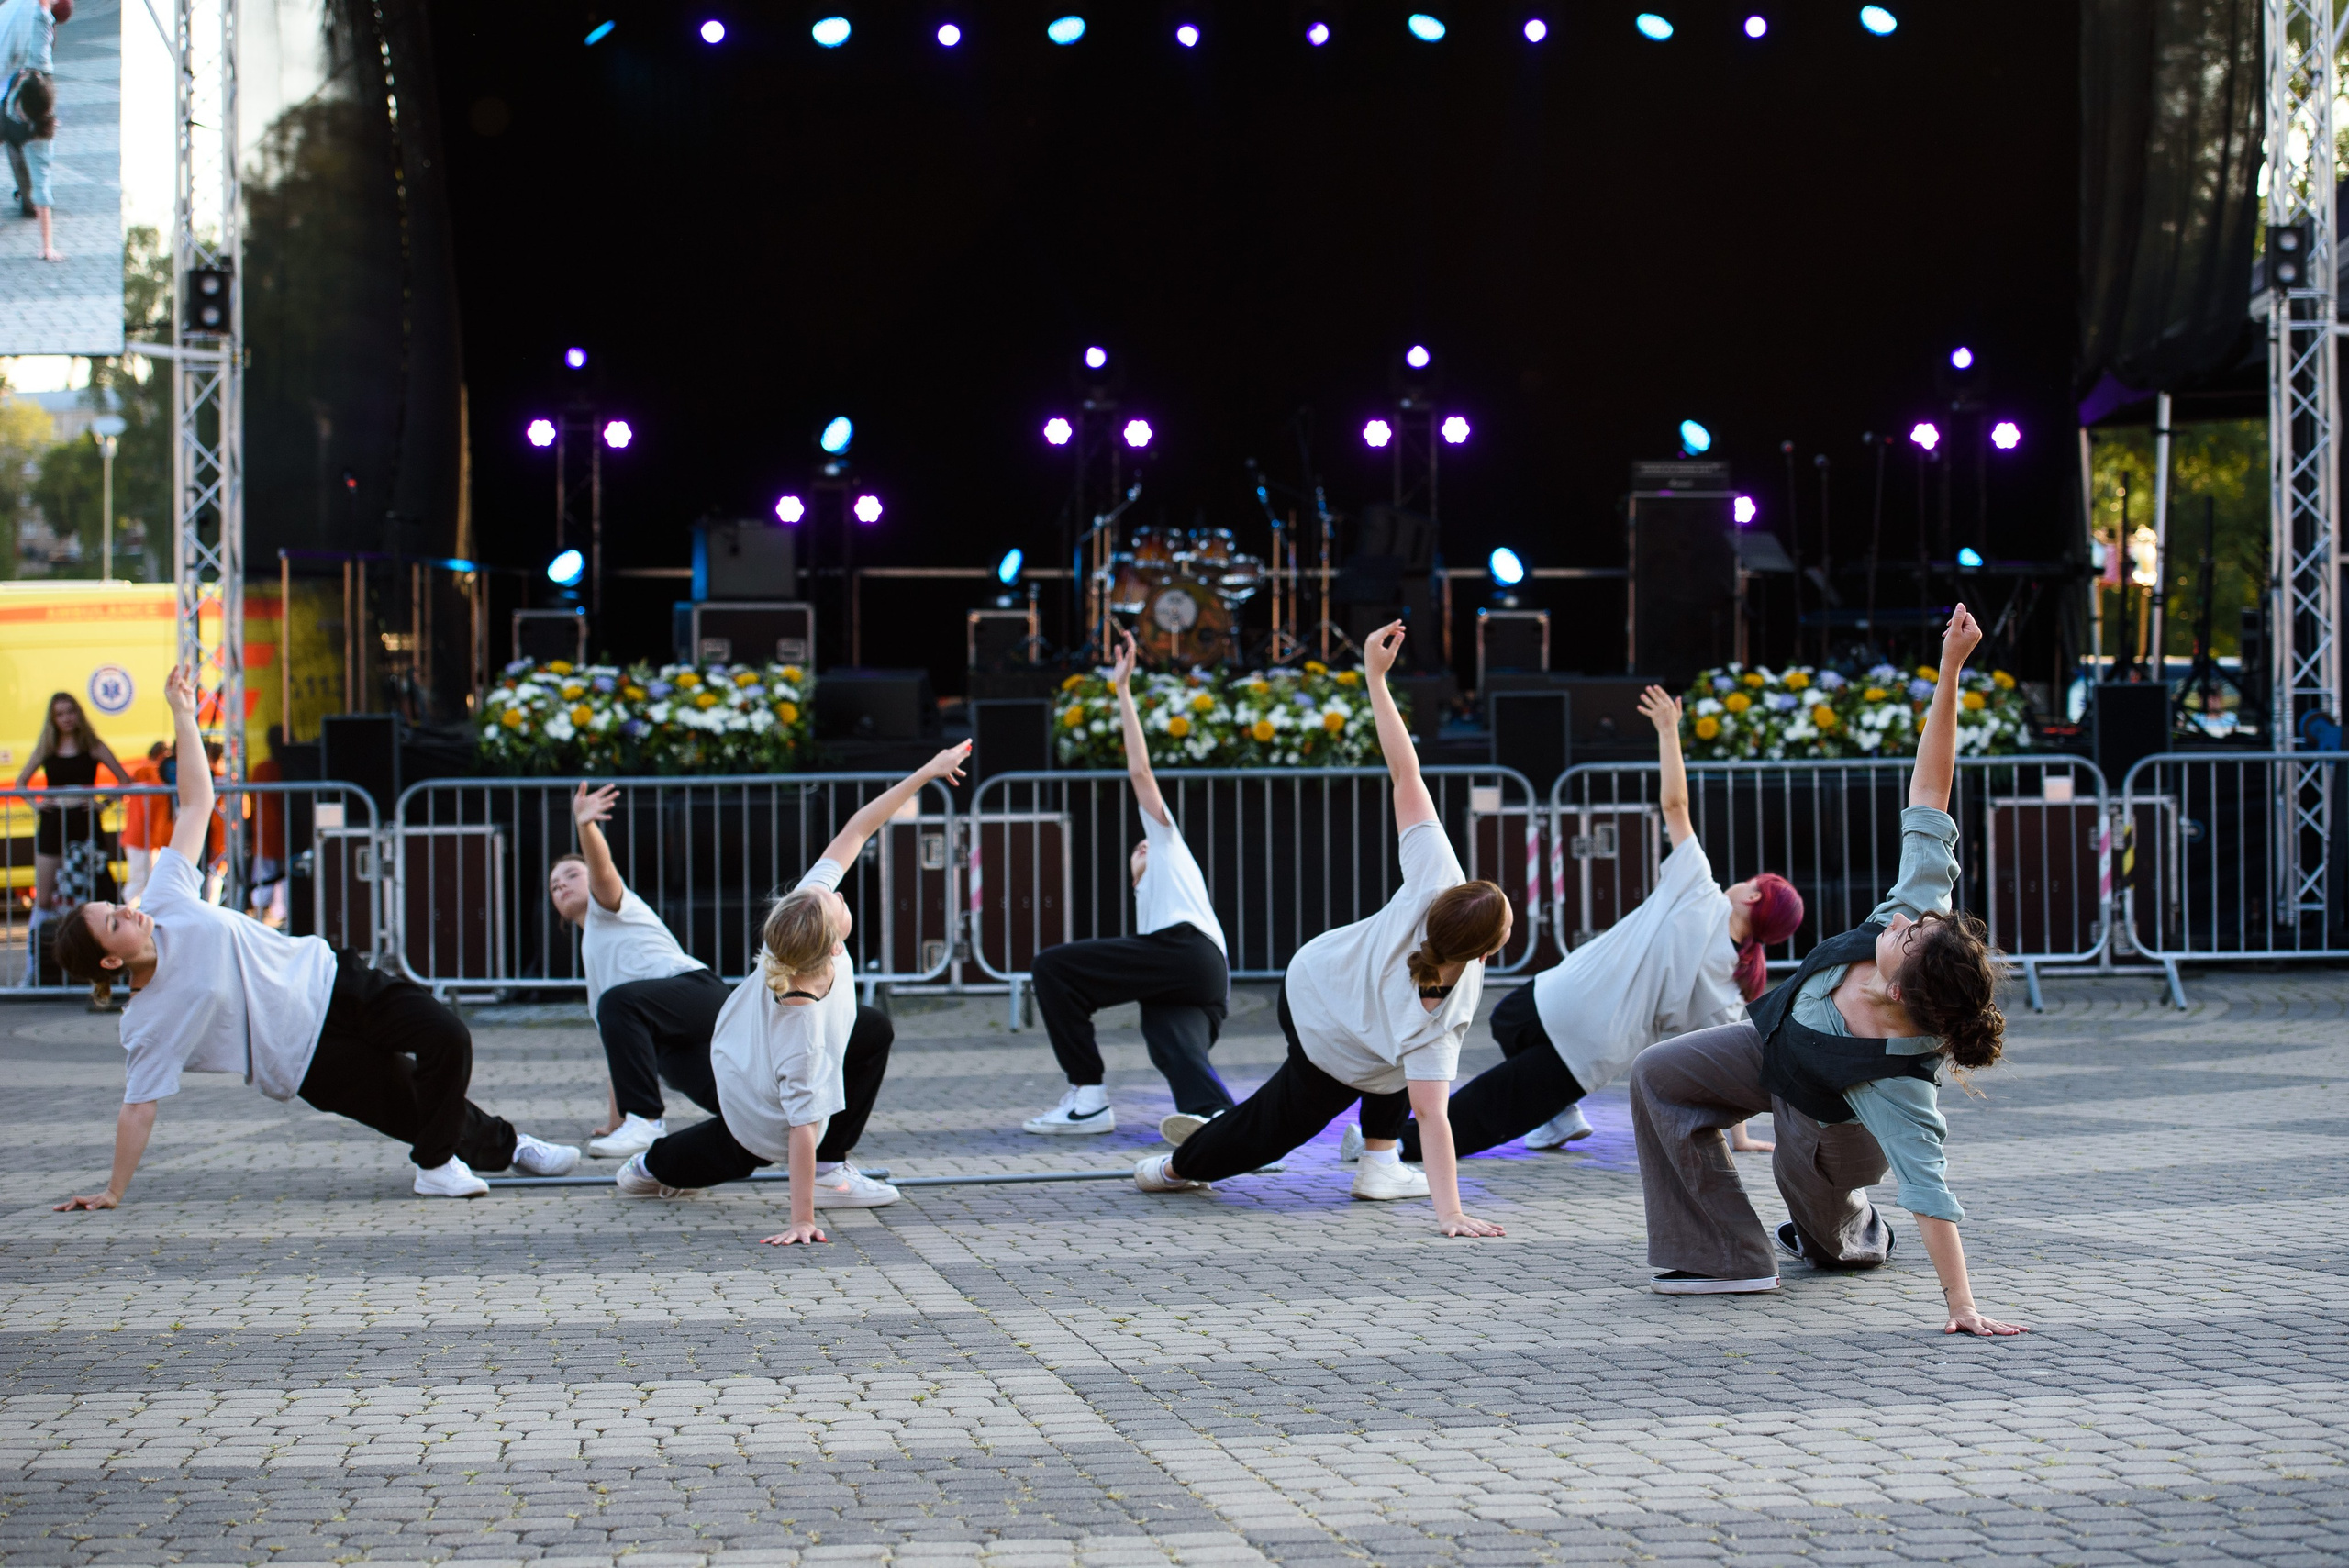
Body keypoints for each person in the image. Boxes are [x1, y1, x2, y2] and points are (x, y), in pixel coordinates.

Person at [1628, 606, 2025, 1335]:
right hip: (1773, 1048)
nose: (1901, 920)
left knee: (1827, 1237)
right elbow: (1930, 791)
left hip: (1833, 1131)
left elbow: (1931, 1190)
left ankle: (1855, 1231)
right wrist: (1949, 672)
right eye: (1916, 918)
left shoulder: (1895, 1079)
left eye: (1908, 933)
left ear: (1902, 987)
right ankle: (1732, 1258)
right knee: (1657, 1075)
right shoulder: (1912, 910)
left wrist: (1962, 1305)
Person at [50, 663, 580, 1208]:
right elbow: (139, 1106)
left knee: (447, 1036)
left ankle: (452, 1160)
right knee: (412, 1106)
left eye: (116, 906)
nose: (127, 912)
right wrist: (114, 1191)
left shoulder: (165, 899)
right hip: (305, 1057)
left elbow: (196, 804)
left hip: (330, 979)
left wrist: (184, 716)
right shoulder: (147, 1020)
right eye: (113, 922)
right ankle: (495, 1151)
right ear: (110, 963)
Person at [1136, 621, 1507, 1237]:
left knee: (1395, 1060)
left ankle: (1381, 1162)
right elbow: (1434, 1120)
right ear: (1491, 946)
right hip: (1328, 1032)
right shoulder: (1441, 1016)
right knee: (1266, 1131)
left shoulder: (1437, 879)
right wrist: (1453, 1214)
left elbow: (1406, 774)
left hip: (1315, 975)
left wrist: (1375, 678)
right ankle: (1173, 1168)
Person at [1367, 685, 1806, 1165]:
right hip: (1590, 1044)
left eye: (1751, 881)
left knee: (1499, 1065)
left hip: (1559, 997)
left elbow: (1675, 806)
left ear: (1755, 895)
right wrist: (1739, 1137)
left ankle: (1397, 1147)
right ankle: (1547, 1115)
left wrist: (1668, 732)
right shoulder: (1728, 986)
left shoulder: (1699, 890)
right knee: (1503, 1078)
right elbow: (1724, 1060)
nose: (1741, 882)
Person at [618, 740, 974, 1243]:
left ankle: (834, 1169)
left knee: (872, 1029)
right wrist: (801, 1220)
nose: (838, 893)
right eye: (837, 903)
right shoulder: (802, 1034)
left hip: (749, 1059)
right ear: (833, 950)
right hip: (760, 1121)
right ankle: (650, 1163)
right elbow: (801, 1132)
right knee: (700, 1161)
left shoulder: (799, 918)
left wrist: (927, 773)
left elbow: (857, 829)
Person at [1023, 629, 1235, 1139]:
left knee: (1053, 969)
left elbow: (1141, 772)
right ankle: (1223, 1124)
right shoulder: (1150, 900)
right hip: (1201, 978)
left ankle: (1089, 1097)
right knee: (1166, 1036)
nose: (1141, 849)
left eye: (1144, 847)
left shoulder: (1168, 847)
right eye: (1133, 853)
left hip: (1188, 952)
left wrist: (1122, 692)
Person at [547, 779, 729, 1160]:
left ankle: (646, 1120)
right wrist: (615, 1124)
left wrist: (586, 826)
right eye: (553, 886)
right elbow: (621, 1050)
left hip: (697, 991)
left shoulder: (610, 906)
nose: (561, 885)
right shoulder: (595, 959)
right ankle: (770, 1123)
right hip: (664, 1017)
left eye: (571, 875)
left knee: (618, 1005)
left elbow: (603, 871)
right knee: (692, 1079)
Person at [16, 690, 127, 914]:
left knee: (91, 891)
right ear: (53, 719)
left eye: (70, 712)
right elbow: (21, 782)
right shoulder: (47, 748)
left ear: (78, 714)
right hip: (53, 821)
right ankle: (40, 944)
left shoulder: (92, 745)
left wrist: (103, 804)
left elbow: (124, 780)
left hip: (85, 822)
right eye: (60, 714)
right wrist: (36, 805)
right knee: (44, 897)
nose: (66, 718)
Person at [0, 0, 67, 261]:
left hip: (14, 129)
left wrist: (47, 247)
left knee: (33, 193)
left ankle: (24, 199)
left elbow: (44, 190)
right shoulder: (40, 64)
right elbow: (42, 16)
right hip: (7, 114)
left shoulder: (40, 136)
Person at [117, 741, 168, 906]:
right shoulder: (156, 778)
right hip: (143, 838)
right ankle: (126, 912)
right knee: (139, 882)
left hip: (140, 838)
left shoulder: (142, 775)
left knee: (143, 880)